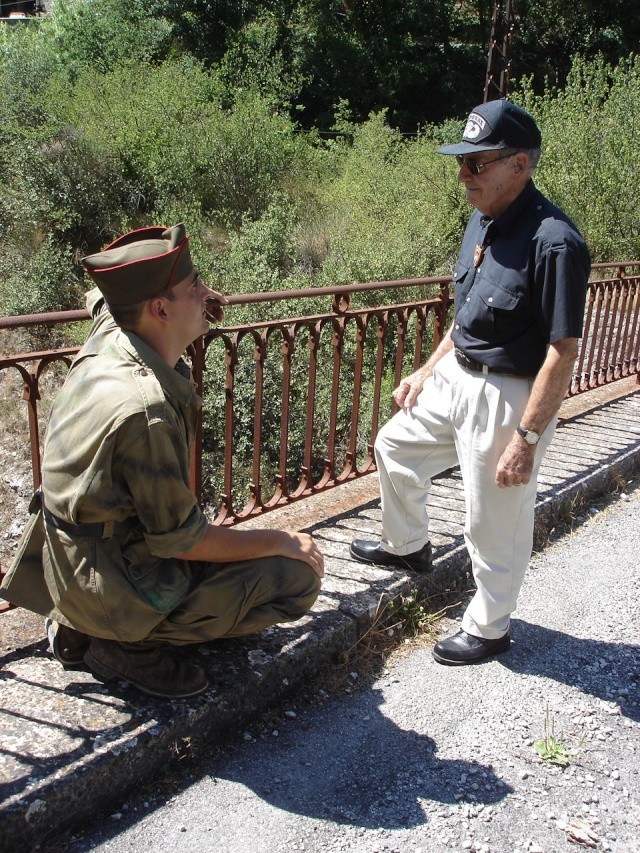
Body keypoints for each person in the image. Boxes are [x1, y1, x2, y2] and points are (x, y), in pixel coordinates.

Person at [1, 224, 323, 697]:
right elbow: (181, 540)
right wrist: (282, 540)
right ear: (159, 308)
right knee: (296, 577)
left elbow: (102, 297)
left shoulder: (114, 329)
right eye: (195, 288)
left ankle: (78, 625)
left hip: (69, 568)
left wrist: (187, 294)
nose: (209, 294)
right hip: (113, 583)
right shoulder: (145, 410)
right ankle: (126, 646)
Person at [350, 100, 590, 665]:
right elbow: (468, 316)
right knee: (394, 447)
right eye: (462, 163)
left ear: (519, 166)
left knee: (493, 518)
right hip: (457, 376)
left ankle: (490, 627)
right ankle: (408, 547)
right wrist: (426, 370)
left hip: (507, 393)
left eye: (476, 164)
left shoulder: (554, 242)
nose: (463, 175)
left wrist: (527, 440)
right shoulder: (481, 219)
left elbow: (563, 351)